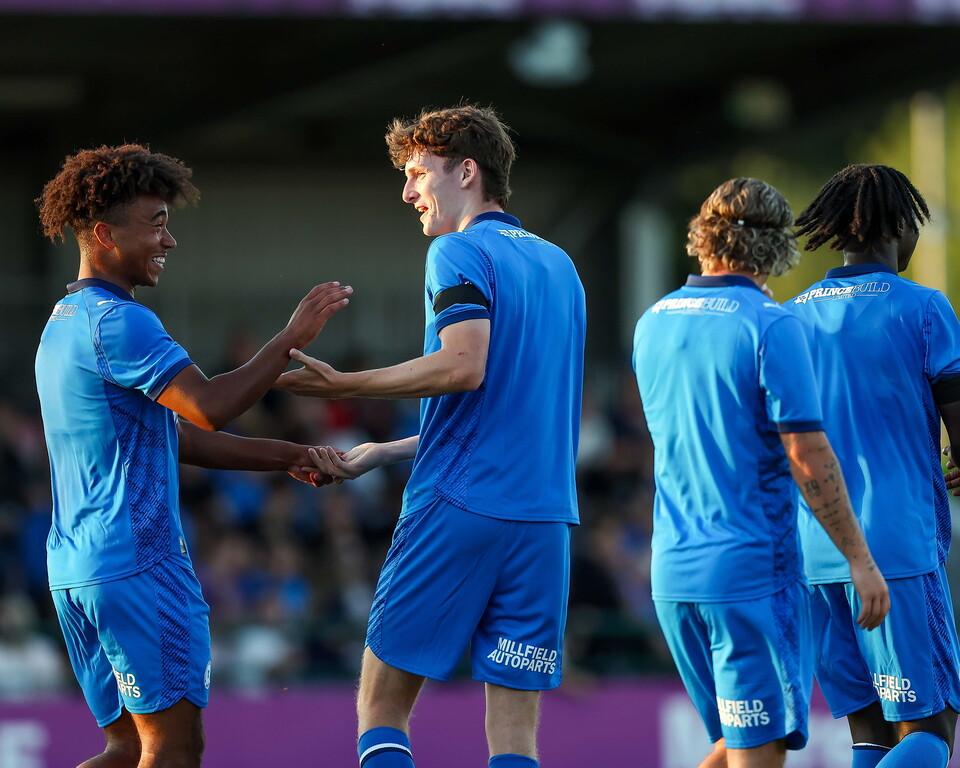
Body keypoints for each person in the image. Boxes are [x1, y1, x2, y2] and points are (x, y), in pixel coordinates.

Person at [276, 104, 586, 768]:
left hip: (459, 506)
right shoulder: (561, 267)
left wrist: (343, 386)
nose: (409, 191)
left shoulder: (459, 249)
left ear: (466, 172)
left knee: (382, 706)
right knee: (515, 736)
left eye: (419, 173)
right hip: (543, 524)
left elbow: (463, 365)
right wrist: (383, 452)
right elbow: (510, 412)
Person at [34, 144, 351, 768]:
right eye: (155, 222)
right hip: (138, 564)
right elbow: (208, 406)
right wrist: (289, 340)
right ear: (103, 233)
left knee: (126, 750)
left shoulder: (63, 322)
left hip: (77, 569)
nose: (168, 239)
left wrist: (285, 454)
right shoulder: (121, 323)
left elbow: (178, 436)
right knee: (173, 751)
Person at [631, 177, 889, 768]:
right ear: (778, 248)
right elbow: (807, 455)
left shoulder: (654, 322)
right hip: (750, 573)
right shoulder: (771, 325)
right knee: (759, 752)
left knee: (739, 743)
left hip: (673, 573)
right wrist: (860, 559)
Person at [785, 164, 960, 768]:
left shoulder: (794, 315)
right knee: (929, 730)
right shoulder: (925, 309)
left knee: (869, 736)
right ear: (900, 226)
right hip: (896, 549)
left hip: (814, 552)